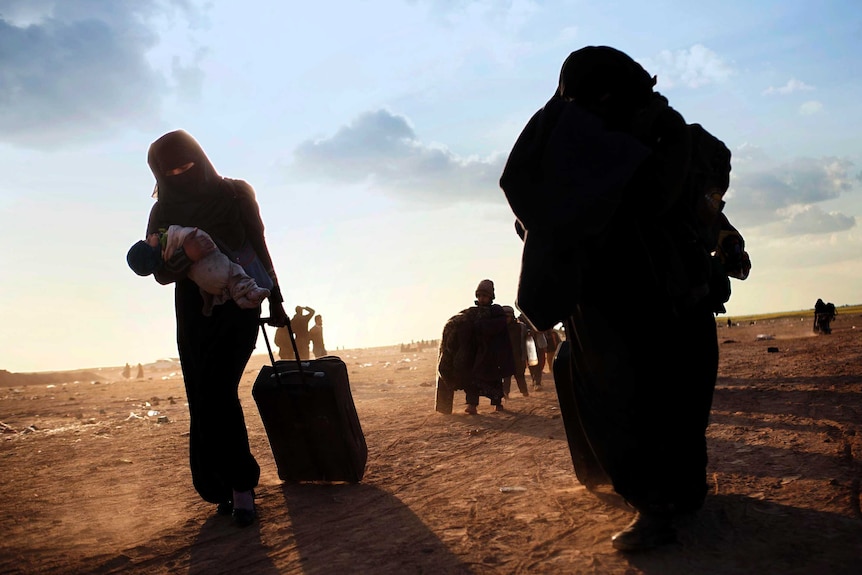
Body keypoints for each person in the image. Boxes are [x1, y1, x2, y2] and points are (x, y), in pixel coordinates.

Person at [499, 46, 749, 551]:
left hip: (626, 300)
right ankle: (677, 494)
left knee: (631, 404)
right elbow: (698, 203)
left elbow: (530, 206)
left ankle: (657, 507)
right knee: (676, 400)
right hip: (670, 296)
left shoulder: (576, 138)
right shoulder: (664, 131)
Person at [137, 129, 288, 527]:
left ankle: (241, 486)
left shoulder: (236, 194)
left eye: (187, 165)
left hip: (240, 305)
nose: (181, 174)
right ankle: (218, 486)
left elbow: (259, 244)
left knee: (219, 392)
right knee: (203, 398)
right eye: (170, 171)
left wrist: (277, 299)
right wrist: (182, 257)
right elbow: (160, 276)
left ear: (201, 159)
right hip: (192, 313)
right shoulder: (161, 212)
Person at [127, 225, 270, 316]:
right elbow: (160, 273)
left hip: (242, 290)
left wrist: (276, 300)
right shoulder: (164, 209)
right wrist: (187, 254)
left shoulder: (233, 192)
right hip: (197, 305)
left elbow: (257, 239)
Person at [461, 280, 515, 414]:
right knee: (472, 379)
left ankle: (497, 403)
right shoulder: (472, 312)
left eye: (484, 296)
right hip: (477, 353)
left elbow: (497, 326)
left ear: (490, 297)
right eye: (479, 296)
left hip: (492, 354)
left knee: (494, 380)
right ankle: (472, 405)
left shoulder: (496, 311)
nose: (481, 299)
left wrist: (480, 325)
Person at [502, 306, 529, 398]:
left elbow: (526, 340)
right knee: (506, 377)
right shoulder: (500, 328)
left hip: (518, 356)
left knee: (520, 376)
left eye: (507, 317)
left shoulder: (521, 327)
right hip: (505, 356)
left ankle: (524, 392)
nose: (506, 319)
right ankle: (505, 393)